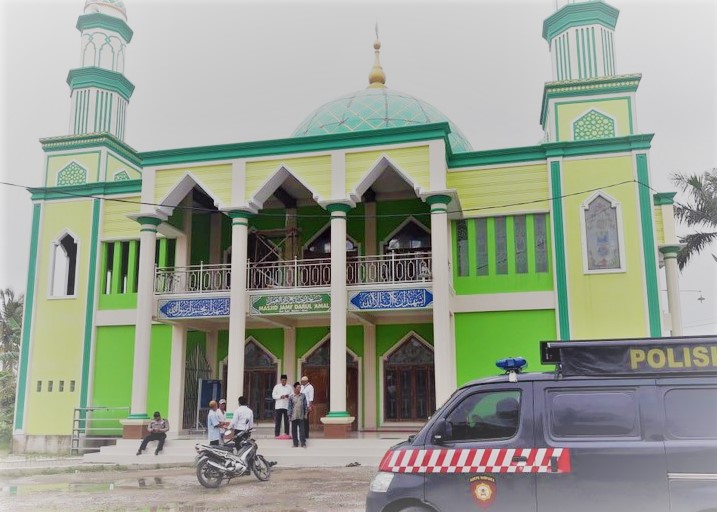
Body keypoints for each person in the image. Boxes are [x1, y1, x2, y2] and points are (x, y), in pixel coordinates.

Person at [287, 381, 308, 448]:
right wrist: (289, 415)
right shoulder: (291, 397)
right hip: (293, 416)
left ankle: (303, 443)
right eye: (298, 387)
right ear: (295, 388)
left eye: (300, 387)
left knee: (302, 430)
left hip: (301, 416)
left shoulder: (303, 396)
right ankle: (295, 443)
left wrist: (306, 414)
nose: (299, 389)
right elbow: (289, 407)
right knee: (294, 431)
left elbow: (305, 405)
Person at [272, 374, 292, 439]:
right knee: (278, 421)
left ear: (286, 380)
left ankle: (287, 434)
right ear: (280, 380)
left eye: (285, 380)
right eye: (283, 380)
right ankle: (277, 434)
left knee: (287, 421)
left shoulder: (289, 387)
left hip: (286, 406)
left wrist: (287, 396)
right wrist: (280, 396)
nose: (284, 382)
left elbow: (292, 395)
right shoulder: (276, 387)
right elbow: (273, 396)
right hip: (278, 406)